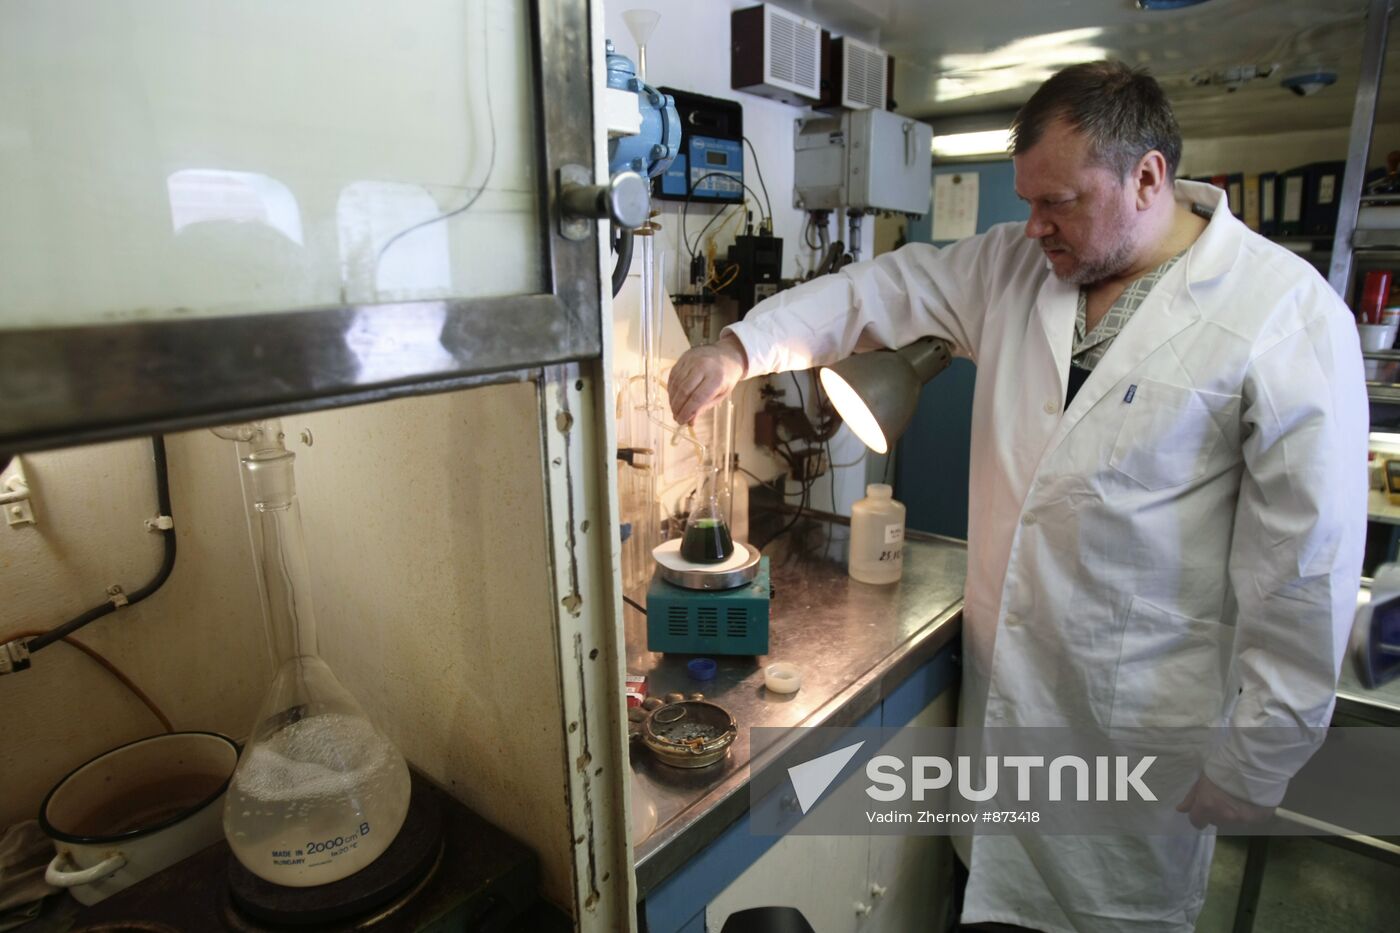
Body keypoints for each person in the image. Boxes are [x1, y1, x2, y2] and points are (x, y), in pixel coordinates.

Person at [667, 61, 1366, 932]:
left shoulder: (1283, 314)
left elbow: (1306, 568)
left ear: (1148, 176)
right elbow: (879, 293)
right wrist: (742, 346)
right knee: (988, 910)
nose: (1032, 226)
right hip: (1006, 722)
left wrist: (1258, 758)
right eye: (1027, 201)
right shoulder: (1013, 267)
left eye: (1059, 202)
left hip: (1140, 742)